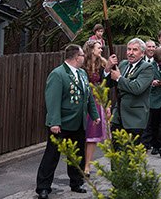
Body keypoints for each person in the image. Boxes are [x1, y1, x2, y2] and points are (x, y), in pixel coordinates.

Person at [35, 45, 100, 198]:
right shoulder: (58, 74)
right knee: (52, 156)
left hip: (78, 122)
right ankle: (43, 187)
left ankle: (76, 182)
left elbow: (88, 96)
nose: (84, 58)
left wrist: (94, 114)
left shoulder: (83, 73)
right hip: (62, 123)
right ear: (77, 57)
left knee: (77, 155)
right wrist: (54, 123)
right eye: (83, 55)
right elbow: (53, 101)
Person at [106, 38, 154, 141]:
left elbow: (137, 88)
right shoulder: (123, 64)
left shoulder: (147, 68)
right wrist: (107, 69)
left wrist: (119, 78)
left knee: (130, 153)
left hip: (134, 118)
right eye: (129, 49)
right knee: (116, 153)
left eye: (134, 50)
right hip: (118, 117)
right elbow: (108, 84)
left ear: (142, 53)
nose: (130, 53)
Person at [82, 40, 112, 177]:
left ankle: (87, 165)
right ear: (91, 49)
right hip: (84, 102)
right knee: (83, 134)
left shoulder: (102, 65)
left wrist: (107, 105)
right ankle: (80, 162)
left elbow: (105, 86)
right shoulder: (82, 65)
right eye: (99, 48)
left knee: (93, 135)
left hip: (97, 102)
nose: (101, 50)